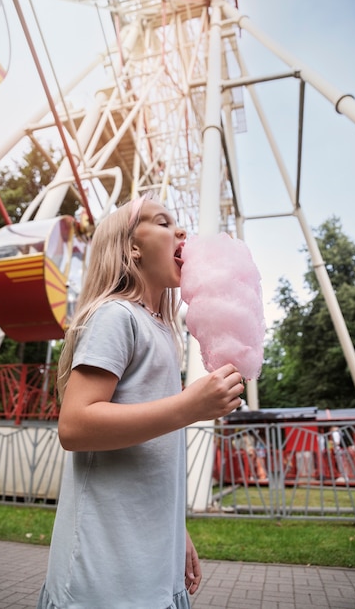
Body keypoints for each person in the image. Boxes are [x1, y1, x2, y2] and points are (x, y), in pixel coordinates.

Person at [36, 193, 244, 609]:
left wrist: (176, 532)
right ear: (132, 246)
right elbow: (75, 426)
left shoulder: (164, 331)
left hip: (151, 563)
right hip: (105, 579)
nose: (182, 231)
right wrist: (190, 406)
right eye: (164, 222)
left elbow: (153, 449)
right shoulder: (116, 316)